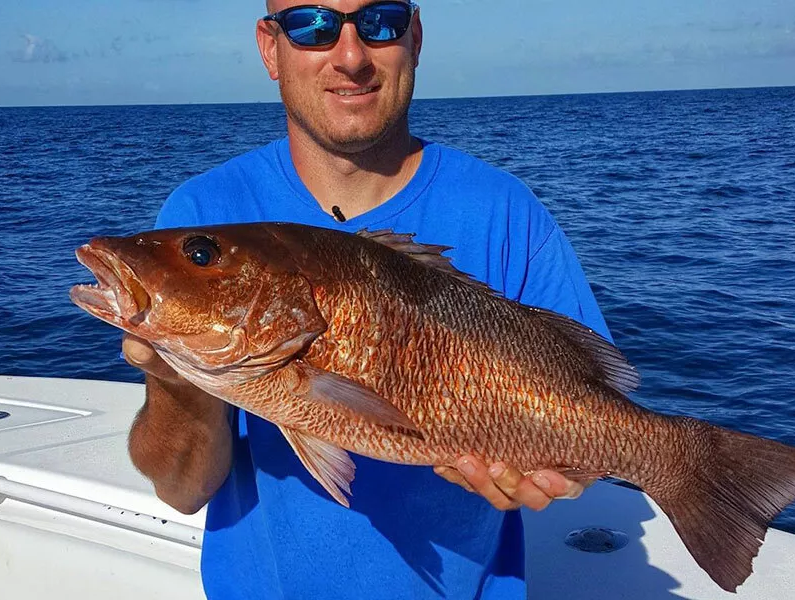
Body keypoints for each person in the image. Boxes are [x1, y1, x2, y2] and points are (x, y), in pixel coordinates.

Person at [123, 1, 612, 598]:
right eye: (311, 25)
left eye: (380, 21)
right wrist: (178, 379)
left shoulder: (508, 211)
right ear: (270, 47)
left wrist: (567, 469)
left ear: (416, 38)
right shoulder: (206, 210)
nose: (351, 56)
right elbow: (182, 490)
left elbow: (597, 411)